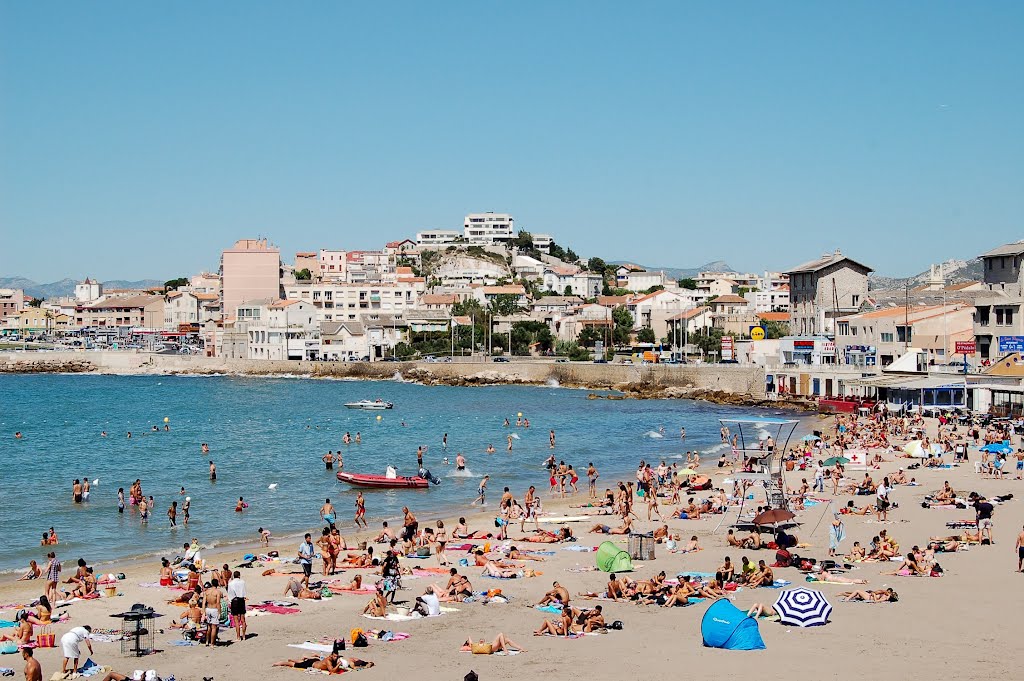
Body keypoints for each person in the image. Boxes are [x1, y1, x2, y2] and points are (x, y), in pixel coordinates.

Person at [203, 578, 224, 646]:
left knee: (209, 626)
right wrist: (219, 612)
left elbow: (204, 603)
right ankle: (212, 643)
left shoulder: (206, 592)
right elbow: (218, 603)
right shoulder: (218, 592)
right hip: (214, 609)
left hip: (208, 609)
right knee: (214, 627)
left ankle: (207, 641)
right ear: (217, 584)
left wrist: (204, 612)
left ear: (211, 584)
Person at [461, 632, 526, 654]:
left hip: (492, 648)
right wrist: (467, 641)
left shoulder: (474, 646)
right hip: (491, 648)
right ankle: (505, 649)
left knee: (507, 639)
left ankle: (521, 648)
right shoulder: (472, 646)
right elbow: (469, 638)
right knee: (501, 634)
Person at [227, 570, 247, 641]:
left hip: (234, 601)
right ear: (239, 576)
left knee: (236, 620)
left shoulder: (231, 583)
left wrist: (230, 601)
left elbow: (230, 594)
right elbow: (244, 592)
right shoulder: (242, 582)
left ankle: (238, 637)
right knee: (243, 619)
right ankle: (244, 636)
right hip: (241, 600)